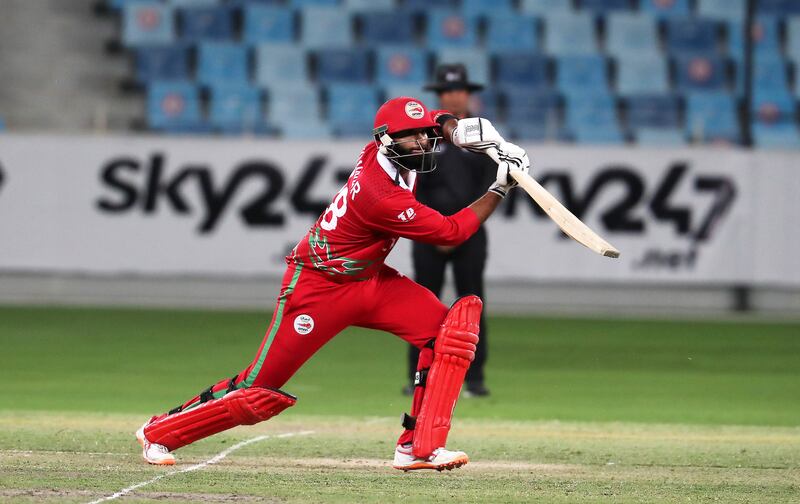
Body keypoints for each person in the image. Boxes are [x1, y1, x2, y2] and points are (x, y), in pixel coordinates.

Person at [134, 96, 529, 471]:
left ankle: (418, 448)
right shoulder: (380, 196)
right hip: (318, 288)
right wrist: (500, 187)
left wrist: (457, 131)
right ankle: (158, 433)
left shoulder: (382, 148)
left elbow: (431, 119)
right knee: (260, 386)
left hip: (369, 280)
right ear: (387, 142)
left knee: (448, 334)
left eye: (426, 133)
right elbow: (451, 232)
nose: (424, 141)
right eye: (415, 136)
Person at [404, 64, 496, 398]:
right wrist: (436, 230)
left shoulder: (483, 136)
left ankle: (473, 379)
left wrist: (459, 228)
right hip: (429, 234)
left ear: (468, 94)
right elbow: (415, 186)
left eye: (457, 90)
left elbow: (491, 188)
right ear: (439, 96)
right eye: (445, 92)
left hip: (470, 233)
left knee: (471, 302)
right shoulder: (425, 134)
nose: (452, 96)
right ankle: (419, 376)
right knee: (421, 305)